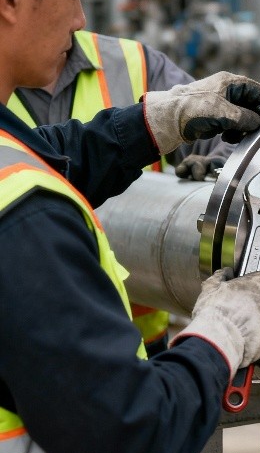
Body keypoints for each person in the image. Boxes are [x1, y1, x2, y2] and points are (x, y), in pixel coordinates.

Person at [0, 0, 260, 453]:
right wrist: (219, 338)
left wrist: (157, 122)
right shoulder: (26, 221)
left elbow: (42, 154)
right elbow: (128, 438)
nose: (79, 19)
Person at [8, 29, 234, 356]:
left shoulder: (136, 63)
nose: (81, 18)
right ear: (13, 1)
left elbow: (223, 130)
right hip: (32, 352)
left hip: (140, 348)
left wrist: (221, 166)